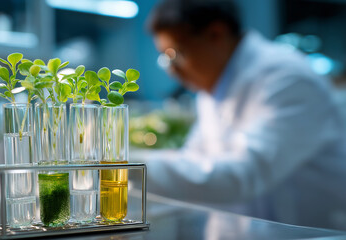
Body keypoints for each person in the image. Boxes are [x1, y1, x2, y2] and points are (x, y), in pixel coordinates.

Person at [137, 0, 346, 230]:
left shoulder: (287, 77)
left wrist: (127, 166)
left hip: (307, 231)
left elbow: (243, 176)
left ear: (215, 34)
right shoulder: (214, 88)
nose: (171, 70)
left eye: (175, 54)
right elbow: (194, 163)